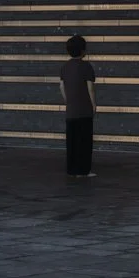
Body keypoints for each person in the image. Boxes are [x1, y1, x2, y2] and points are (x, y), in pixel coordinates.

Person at [59, 35, 97, 177]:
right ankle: (84, 171)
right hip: (84, 110)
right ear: (83, 51)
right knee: (84, 141)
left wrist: (68, 100)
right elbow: (90, 88)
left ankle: (71, 169)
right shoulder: (86, 66)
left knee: (72, 141)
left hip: (71, 110)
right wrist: (93, 105)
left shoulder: (64, 67)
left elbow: (61, 86)